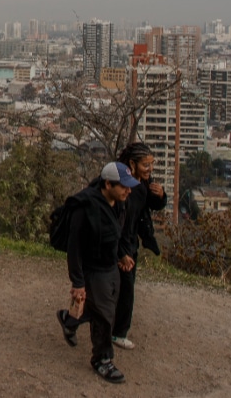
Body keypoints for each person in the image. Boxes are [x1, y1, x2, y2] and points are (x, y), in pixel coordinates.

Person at [55, 160, 140, 383]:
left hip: (110, 265)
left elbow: (118, 232)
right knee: (104, 315)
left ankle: (69, 319)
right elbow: (74, 248)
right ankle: (102, 359)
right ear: (107, 184)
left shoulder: (119, 202)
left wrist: (122, 253)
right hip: (92, 269)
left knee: (104, 308)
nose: (128, 191)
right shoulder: (85, 208)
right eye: (123, 186)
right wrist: (78, 282)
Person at [111, 142, 167, 350]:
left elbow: (152, 204)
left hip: (131, 242)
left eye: (151, 165)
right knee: (121, 290)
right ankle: (115, 332)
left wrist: (161, 196)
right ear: (132, 164)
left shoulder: (143, 183)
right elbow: (113, 221)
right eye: (146, 165)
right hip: (118, 244)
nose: (149, 170)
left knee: (122, 289)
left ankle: (112, 329)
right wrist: (121, 252)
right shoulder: (120, 183)